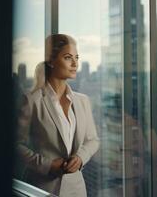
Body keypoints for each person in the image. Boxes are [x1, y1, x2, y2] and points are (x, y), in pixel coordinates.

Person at [16, 34, 100, 197]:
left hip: (76, 190)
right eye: (68, 58)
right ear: (50, 60)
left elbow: (93, 140)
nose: (75, 63)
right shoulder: (31, 100)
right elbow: (15, 145)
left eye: (76, 57)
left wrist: (80, 158)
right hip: (42, 188)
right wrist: (47, 165)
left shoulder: (83, 101)